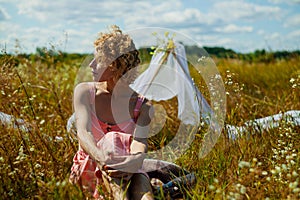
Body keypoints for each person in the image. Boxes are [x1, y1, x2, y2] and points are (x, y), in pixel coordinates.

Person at [69, 25, 154, 199]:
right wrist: (102, 159)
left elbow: (140, 142)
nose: (91, 66)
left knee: (140, 178)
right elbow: (83, 133)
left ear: (115, 65)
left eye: (98, 60)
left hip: (127, 169)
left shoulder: (143, 105)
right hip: (91, 165)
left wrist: (134, 161)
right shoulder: (84, 92)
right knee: (112, 140)